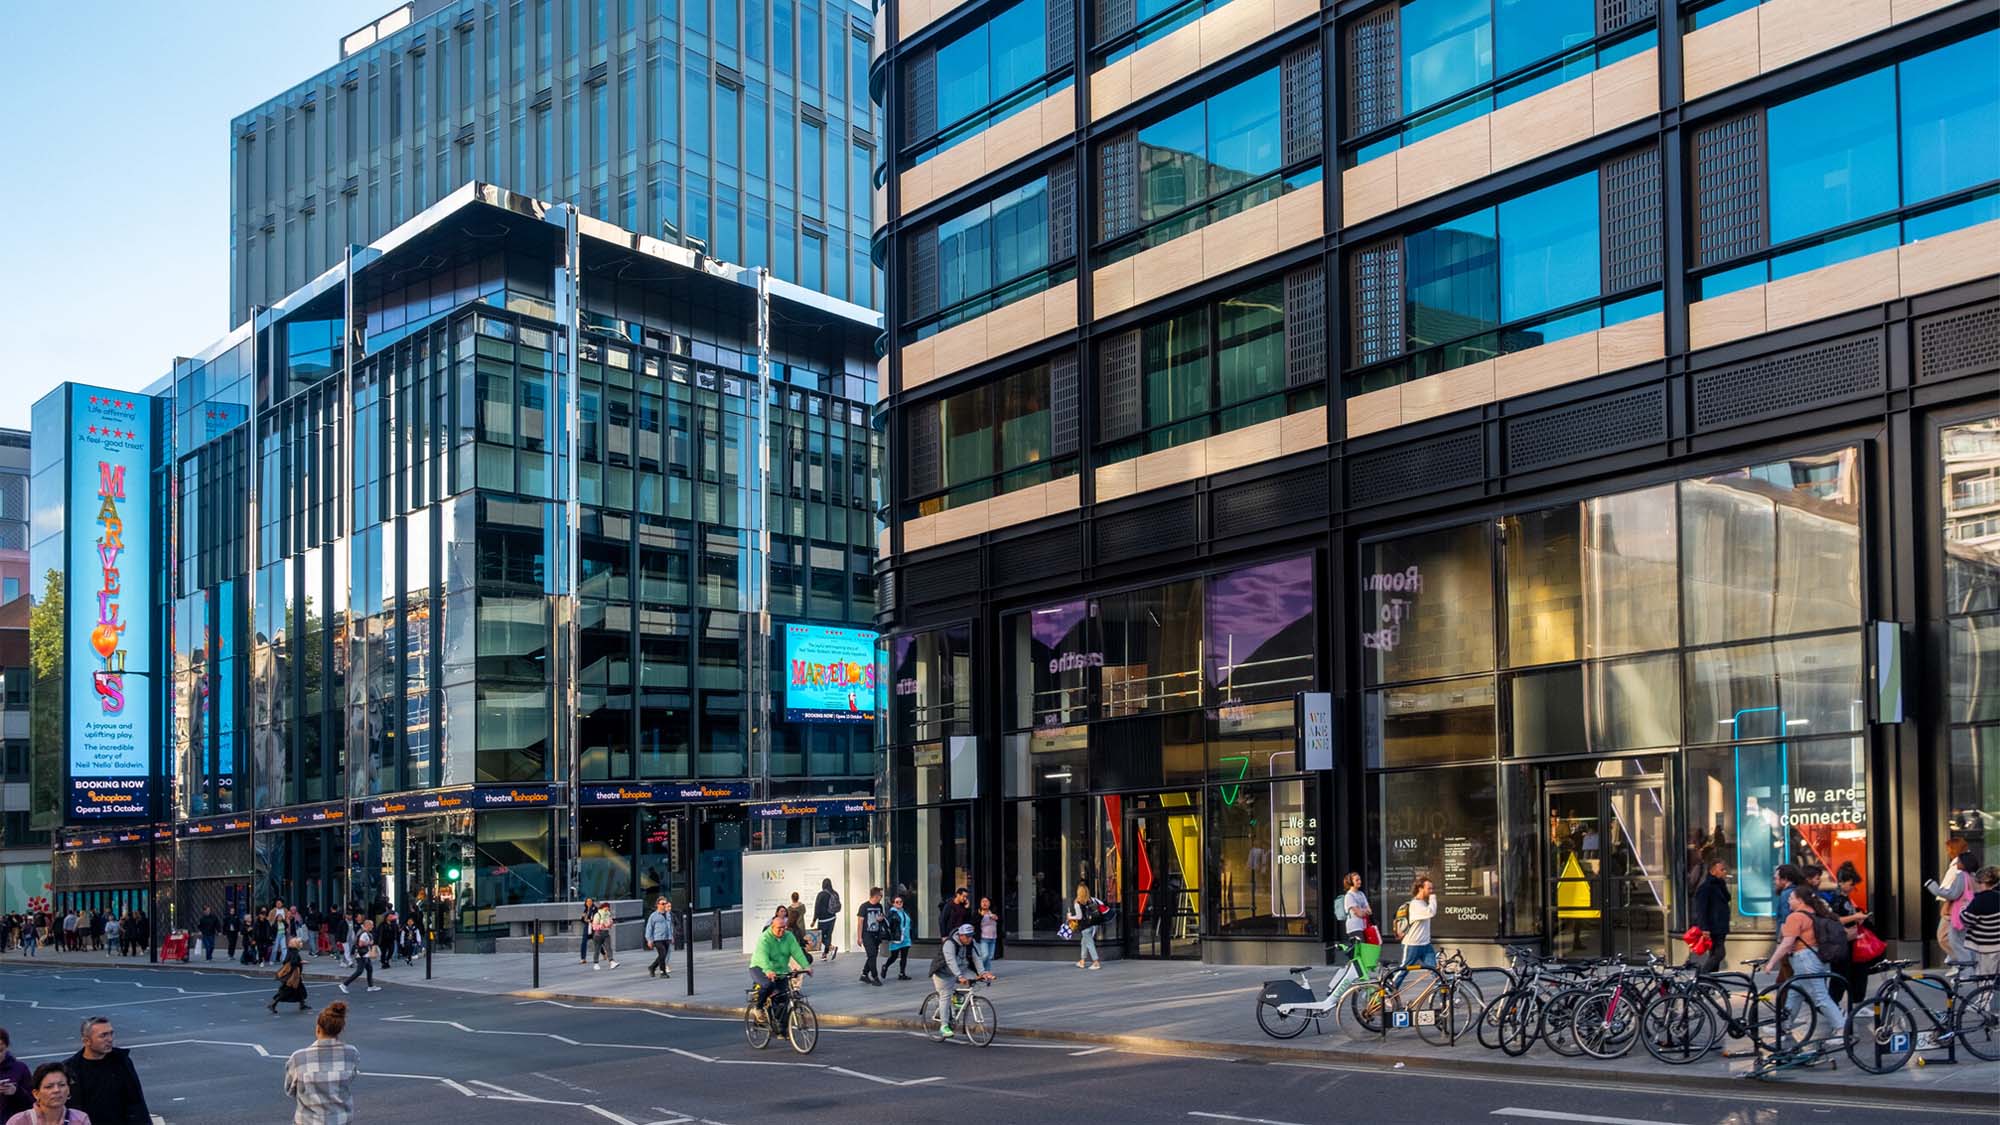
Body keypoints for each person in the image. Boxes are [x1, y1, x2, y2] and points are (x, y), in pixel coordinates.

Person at [1763, 884, 1846, 1043]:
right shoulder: (1814, 914)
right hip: (1812, 958)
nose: (1789, 901)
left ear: (1800, 900)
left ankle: (1841, 1029)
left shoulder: (1795, 917)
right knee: (1795, 993)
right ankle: (1783, 1026)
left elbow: (1787, 943)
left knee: (1820, 996)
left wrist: (1771, 962)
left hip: (1804, 959)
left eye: (1792, 898)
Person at [284, 1001, 359, 1125]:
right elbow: (350, 1079)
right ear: (339, 1030)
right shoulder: (351, 1053)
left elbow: (290, 1090)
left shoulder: (298, 1058)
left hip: (308, 1120)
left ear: (318, 1028)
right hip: (340, 1119)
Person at [63, 1017, 149, 1125]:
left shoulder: (121, 1061)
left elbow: (136, 1100)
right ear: (86, 1041)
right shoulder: (71, 1068)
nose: (110, 1039)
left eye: (111, 1034)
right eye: (103, 1035)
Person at [927, 924, 995, 1039]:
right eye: (967, 937)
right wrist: (959, 976)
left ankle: (957, 1001)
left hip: (962, 969)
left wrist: (983, 973)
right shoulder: (950, 943)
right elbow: (950, 961)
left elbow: (976, 958)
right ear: (961, 935)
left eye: (971, 936)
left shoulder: (970, 943)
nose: (969, 939)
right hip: (943, 973)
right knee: (945, 996)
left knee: (973, 981)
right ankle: (944, 1026)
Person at [1822, 862, 1873, 1006]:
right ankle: (1834, 1004)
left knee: (1851, 973)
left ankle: (1848, 1003)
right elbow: (1835, 919)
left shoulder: (1842, 898)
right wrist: (1855, 917)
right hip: (1842, 942)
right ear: (1842, 882)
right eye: (1850, 884)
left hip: (1848, 940)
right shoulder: (1836, 899)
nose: (1852, 888)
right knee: (1841, 974)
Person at [748, 910, 812, 1017]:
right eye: (779, 928)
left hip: (780, 970)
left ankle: (781, 1031)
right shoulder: (765, 938)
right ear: (772, 927)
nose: (782, 930)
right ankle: (758, 1008)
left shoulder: (789, 936)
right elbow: (763, 957)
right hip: (759, 968)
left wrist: (806, 966)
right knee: (768, 984)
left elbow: (797, 951)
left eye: (784, 927)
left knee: (783, 1000)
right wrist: (768, 970)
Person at [1926, 848, 1978, 964]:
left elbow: (1952, 894)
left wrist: (1933, 887)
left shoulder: (1961, 875)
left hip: (1957, 914)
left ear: (1964, 864)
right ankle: (1966, 966)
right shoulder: (1973, 877)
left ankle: (1964, 969)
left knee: (1955, 942)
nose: (1957, 864)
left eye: (1958, 862)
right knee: (1964, 942)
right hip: (1968, 913)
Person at [6, 1063, 87, 1125]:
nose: (56, 1090)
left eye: (62, 1085)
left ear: (69, 1089)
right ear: (36, 1094)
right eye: (49, 1087)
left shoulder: (80, 1119)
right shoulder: (19, 1121)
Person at [1691, 859, 1732, 974]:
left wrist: (1722, 884)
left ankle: (1709, 983)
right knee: (1719, 954)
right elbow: (1701, 910)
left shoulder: (1720, 884)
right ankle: (1701, 977)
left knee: (1714, 955)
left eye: (1724, 869)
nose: (1724, 872)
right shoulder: (1706, 887)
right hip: (1713, 927)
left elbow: (1727, 898)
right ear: (1713, 871)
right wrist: (1704, 928)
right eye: (1722, 870)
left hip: (1720, 927)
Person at [1961, 865, 2000, 977]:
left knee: (1985, 977)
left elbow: (1966, 920)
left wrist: (1963, 908)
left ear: (1981, 883)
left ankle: (1984, 994)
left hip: (1986, 946)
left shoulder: (1980, 900)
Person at [1397, 878, 1439, 972]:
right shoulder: (1415, 904)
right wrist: (1433, 898)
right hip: (1413, 945)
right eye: (1429, 888)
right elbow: (1431, 912)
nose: (1431, 891)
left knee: (1435, 971)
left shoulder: (1422, 903)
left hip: (1425, 944)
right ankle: (1389, 986)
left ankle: (1441, 987)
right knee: (1403, 971)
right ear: (1420, 888)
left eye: (1432, 889)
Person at [337, 921, 381, 994]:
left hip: (364, 954)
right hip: (361, 955)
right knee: (359, 971)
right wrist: (369, 943)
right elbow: (360, 944)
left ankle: (370, 986)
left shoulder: (365, 932)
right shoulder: (364, 934)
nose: (373, 926)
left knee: (369, 969)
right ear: (367, 925)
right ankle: (344, 984)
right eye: (372, 925)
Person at [856, 888, 888, 986]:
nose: (881, 898)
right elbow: (860, 923)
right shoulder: (864, 906)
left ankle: (864, 974)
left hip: (876, 934)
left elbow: (882, 918)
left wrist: (881, 919)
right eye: (881, 896)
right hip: (867, 934)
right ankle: (875, 977)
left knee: (872, 955)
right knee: (872, 955)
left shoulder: (879, 906)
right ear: (876, 896)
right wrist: (859, 937)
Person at [1068, 883, 1104, 970]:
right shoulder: (1090, 900)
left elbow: (1079, 917)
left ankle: (1096, 962)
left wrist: (1070, 917)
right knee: (1084, 943)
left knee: (1090, 944)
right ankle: (1082, 961)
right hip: (1092, 925)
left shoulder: (1077, 903)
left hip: (1084, 927)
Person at [271, 937, 309, 1014]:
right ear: (296, 944)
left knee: (300, 990)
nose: (301, 943)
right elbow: (293, 963)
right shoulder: (294, 952)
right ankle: (273, 1004)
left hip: (294, 975)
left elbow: (285, 961)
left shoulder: (290, 951)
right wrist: (301, 962)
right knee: (286, 991)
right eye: (300, 942)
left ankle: (302, 1004)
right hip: (292, 976)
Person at [0, 1028, 31, 1118]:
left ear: (6, 1047)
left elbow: (32, 1103)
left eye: (0, 1050)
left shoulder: (20, 1069)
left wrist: (16, 1092)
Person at [882, 895, 913, 981]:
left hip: (906, 938)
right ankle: (885, 966)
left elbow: (909, 923)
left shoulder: (905, 912)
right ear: (893, 904)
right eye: (897, 902)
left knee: (904, 957)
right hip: (896, 938)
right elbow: (888, 924)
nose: (899, 903)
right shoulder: (892, 913)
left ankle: (902, 973)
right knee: (894, 957)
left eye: (901, 902)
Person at [644, 897, 676, 979]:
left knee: (663, 955)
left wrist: (671, 936)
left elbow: (670, 926)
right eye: (662, 904)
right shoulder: (653, 916)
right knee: (662, 953)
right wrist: (649, 940)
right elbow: (649, 928)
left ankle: (652, 967)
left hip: (667, 938)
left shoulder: (668, 914)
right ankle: (663, 972)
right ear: (658, 905)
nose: (664, 905)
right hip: (657, 938)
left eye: (665, 903)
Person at [812, 878, 841, 962]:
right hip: (832, 917)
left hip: (823, 919)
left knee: (820, 937)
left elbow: (817, 908)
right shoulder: (835, 893)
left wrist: (814, 920)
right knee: (828, 935)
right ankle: (824, 954)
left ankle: (832, 948)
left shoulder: (821, 894)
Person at [1340, 873, 1372, 942]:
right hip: (1354, 927)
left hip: (1364, 926)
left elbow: (1370, 911)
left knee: (1365, 948)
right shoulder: (1349, 896)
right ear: (1351, 882)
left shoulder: (1361, 894)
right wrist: (1364, 910)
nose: (1359, 882)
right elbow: (1359, 914)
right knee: (1360, 948)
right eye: (1357, 880)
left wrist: (1362, 911)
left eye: (1360, 879)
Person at [590, 901, 617, 970]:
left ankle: (612, 962)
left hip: (606, 933)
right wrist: (601, 926)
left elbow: (610, 923)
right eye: (607, 907)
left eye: (608, 908)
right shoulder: (598, 914)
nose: (607, 909)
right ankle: (596, 963)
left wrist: (610, 923)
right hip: (598, 934)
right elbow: (594, 927)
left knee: (608, 948)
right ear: (603, 907)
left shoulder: (608, 915)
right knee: (597, 949)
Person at [975, 896, 1000, 966]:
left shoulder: (993, 912)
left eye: (986, 901)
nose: (984, 903)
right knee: (985, 955)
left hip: (993, 938)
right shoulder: (978, 912)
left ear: (990, 903)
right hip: (983, 938)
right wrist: (981, 916)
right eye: (982, 901)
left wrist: (997, 918)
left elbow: (1000, 922)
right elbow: (974, 923)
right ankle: (978, 969)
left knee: (990, 957)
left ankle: (987, 972)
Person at [576, 898, 597, 966]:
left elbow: (595, 918)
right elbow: (582, 920)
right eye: (587, 901)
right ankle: (583, 958)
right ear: (585, 902)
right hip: (587, 928)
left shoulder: (594, 908)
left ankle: (604, 953)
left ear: (592, 902)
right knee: (583, 942)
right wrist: (583, 918)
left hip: (593, 928)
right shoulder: (585, 909)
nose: (589, 902)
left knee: (596, 942)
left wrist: (588, 920)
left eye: (590, 901)